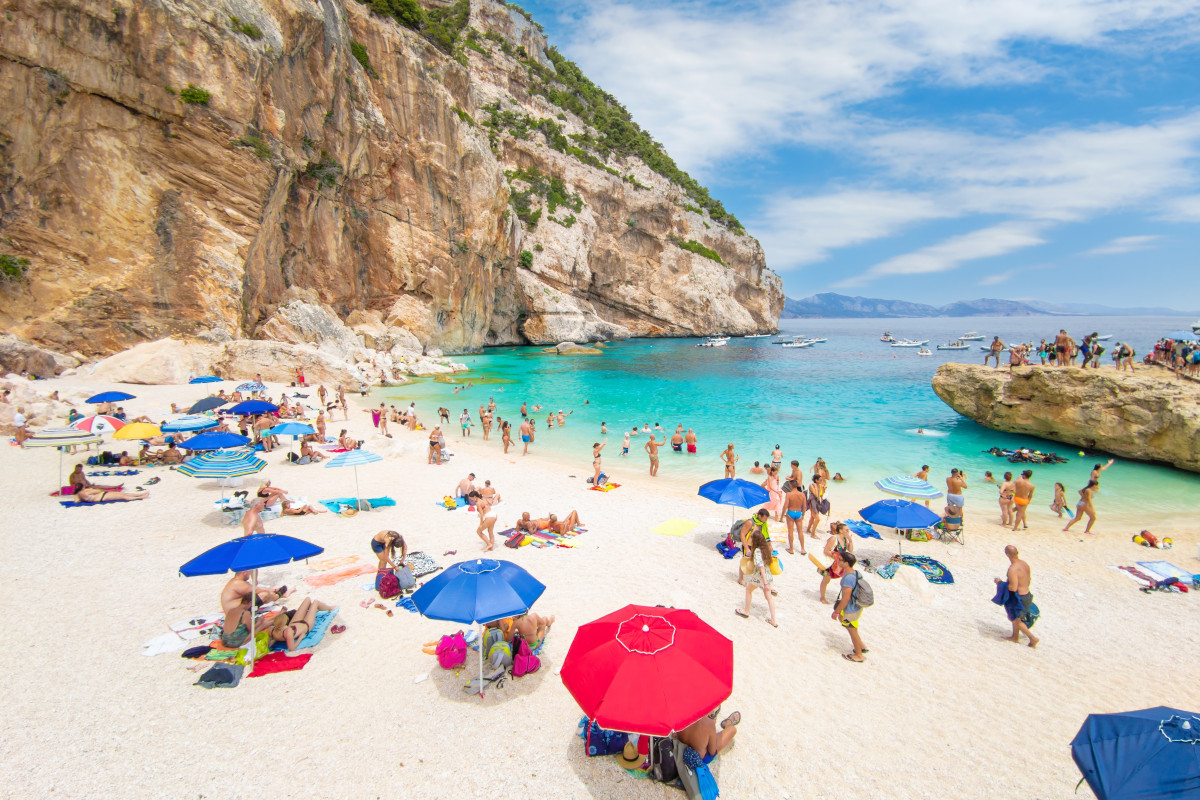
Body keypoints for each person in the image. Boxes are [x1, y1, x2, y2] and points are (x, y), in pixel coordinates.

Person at [219, 571, 288, 647]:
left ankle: (278, 615)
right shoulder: (245, 613)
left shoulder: (235, 610)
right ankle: (279, 614)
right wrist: (259, 623)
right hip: (237, 642)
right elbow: (251, 630)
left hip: (225, 641)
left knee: (262, 622)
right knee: (262, 624)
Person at [995, 545, 1038, 648]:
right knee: (1017, 617)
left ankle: (1033, 638)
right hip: (1027, 594)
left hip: (1019, 597)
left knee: (1016, 620)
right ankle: (1015, 637)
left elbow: (1013, 588)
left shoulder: (1012, 569)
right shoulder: (1024, 564)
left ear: (1007, 554)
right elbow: (1029, 579)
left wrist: (1000, 583)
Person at [734, 530, 778, 627]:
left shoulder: (757, 551)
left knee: (748, 590)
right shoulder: (766, 548)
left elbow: (760, 566)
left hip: (760, 576)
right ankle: (773, 620)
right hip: (768, 574)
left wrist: (765, 584)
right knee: (769, 597)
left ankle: (746, 611)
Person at [832, 552, 867, 662]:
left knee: (852, 631)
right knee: (852, 627)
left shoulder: (848, 579)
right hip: (856, 606)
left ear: (846, 563)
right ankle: (862, 646)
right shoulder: (856, 573)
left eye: (841, 560)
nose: (839, 561)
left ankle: (859, 655)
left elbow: (845, 598)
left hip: (851, 608)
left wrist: (836, 611)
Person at [269, 597, 335, 651]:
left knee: (307, 599)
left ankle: (311, 611)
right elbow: (292, 648)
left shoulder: (271, 630)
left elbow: (269, 643)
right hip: (306, 625)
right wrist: (300, 638)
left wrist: (275, 639)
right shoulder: (287, 632)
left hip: (294, 623)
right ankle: (330, 608)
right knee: (316, 602)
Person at [818, 523, 854, 604]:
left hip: (840, 564)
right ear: (841, 531)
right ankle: (822, 597)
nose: (848, 531)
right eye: (846, 530)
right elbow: (826, 551)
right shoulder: (834, 539)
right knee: (826, 580)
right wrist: (837, 556)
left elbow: (851, 550)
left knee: (845, 580)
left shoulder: (845, 539)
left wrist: (850, 541)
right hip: (830, 563)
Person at [781, 480, 809, 554]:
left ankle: (791, 549)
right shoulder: (802, 494)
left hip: (791, 513)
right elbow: (805, 506)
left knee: (790, 531)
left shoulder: (789, 494)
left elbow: (785, 506)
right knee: (800, 532)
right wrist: (803, 515)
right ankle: (803, 549)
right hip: (799, 513)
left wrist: (782, 516)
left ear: (790, 485)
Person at [75, 486, 148, 503]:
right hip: (103, 496)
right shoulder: (86, 491)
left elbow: (76, 501)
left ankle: (140, 495)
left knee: (123, 494)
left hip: (102, 496)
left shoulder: (77, 495)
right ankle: (140, 496)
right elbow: (98, 490)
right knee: (123, 496)